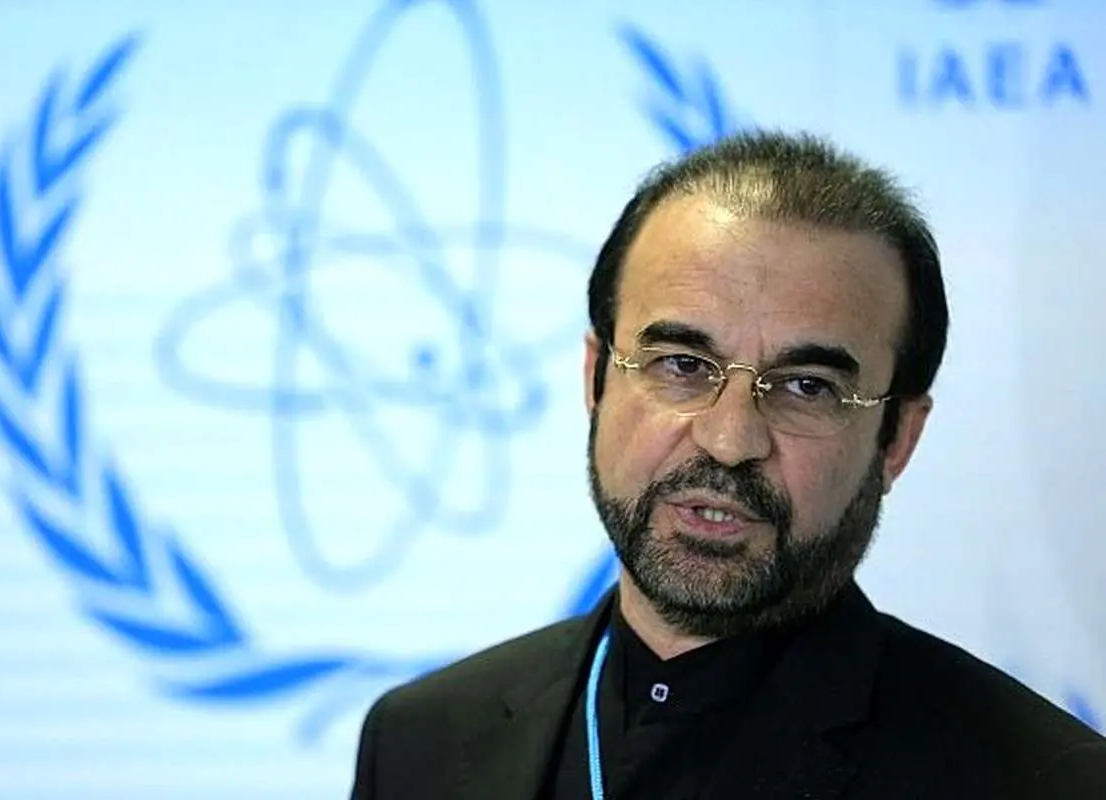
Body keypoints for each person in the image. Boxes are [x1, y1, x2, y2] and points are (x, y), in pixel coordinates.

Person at [349, 130, 1106, 799]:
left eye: (807, 387)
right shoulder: (420, 742)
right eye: (681, 365)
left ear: (896, 439)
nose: (729, 439)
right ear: (596, 380)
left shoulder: (1042, 782)